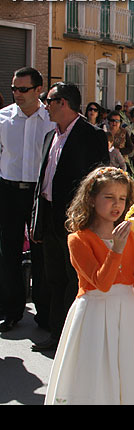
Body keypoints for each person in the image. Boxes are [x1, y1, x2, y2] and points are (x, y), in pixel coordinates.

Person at [45, 166, 134, 404]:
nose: (116, 204)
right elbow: (101, 284)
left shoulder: (133, 235)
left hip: (127, 313)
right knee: (95, 374)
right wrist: (116, 248)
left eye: (122, 198)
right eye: (109, 197)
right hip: (94, 313)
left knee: (127, 371)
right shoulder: (78, 239)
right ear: (92, 198)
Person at [30, 82, 110, 352]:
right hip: (51, 218)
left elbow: (100, 184)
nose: (45, 106)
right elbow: (43, 181)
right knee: (54, 277)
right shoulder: (49, 136)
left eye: (48, 101)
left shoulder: (92, 136)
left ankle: (72, 337)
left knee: (75, 278)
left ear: (63, 103)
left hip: (76, 221)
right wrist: (36, 219)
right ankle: (57, 332)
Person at [0, 67, 55, 332]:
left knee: (41, 253)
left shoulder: (51, 120)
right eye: (14, 89)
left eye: (23, 89)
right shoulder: (3, 118)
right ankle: (11, 310)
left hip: (38, 193)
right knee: (7, 251)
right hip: (8, 191)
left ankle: (44, 313)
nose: (17, 94)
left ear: (38, 90)